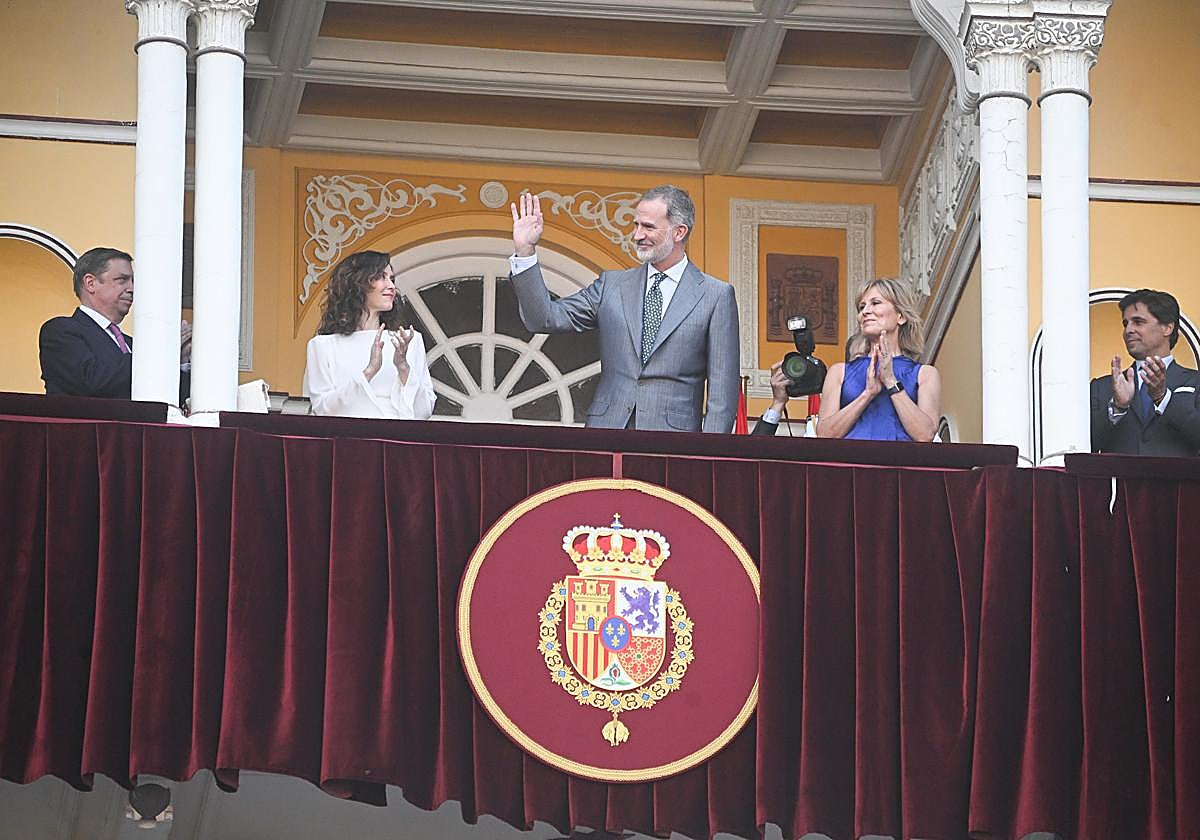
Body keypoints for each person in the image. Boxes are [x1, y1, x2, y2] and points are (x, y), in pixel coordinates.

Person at [508, 185, 739, 432]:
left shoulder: (715, 296)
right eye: (636, 225)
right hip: (607, 433)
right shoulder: (612, 285)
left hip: (674, 442)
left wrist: (708, 451)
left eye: (648, 227)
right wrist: (525, 251)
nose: (638, 235)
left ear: (679, 232)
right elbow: (544, 319)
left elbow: (722, 397)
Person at [755, 278, 941, 440]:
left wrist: (891, 382)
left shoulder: (925, 374)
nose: (865, 311)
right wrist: (867, 394)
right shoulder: (839, 372)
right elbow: (825, 434)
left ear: (901, 316)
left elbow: (925, 435)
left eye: (875, 303)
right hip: (850, 467)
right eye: (862, 307)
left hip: (901, 467)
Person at [39, 246, 191, 402]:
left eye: (133, 281)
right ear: (90, 283)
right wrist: (160, 352)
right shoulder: (60, 331)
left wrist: (181, 360)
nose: (132, 289)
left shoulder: (132, 345)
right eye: (122, 280)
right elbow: (91, 380)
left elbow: (171, 399)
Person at [303, 250, 435, 420]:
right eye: (380, 277)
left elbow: (424, 412)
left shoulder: (408, 340)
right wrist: (369, 371)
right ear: (357, 283)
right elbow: (322, 410)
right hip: (348, 434)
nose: (391, 286)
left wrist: (403, 367)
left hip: (399, 434)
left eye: (392, 279)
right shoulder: (323, 346)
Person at [1089, 288, 1200, 456]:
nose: (1128, 330)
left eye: (1138, 322)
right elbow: (1082, 444)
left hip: (1176, 474)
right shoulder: (1102, 387)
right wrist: (1118, 407)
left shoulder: (1195, 382)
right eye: (1126, 324)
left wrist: (1164, 399)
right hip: (1118, 475)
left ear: (1167, 328)